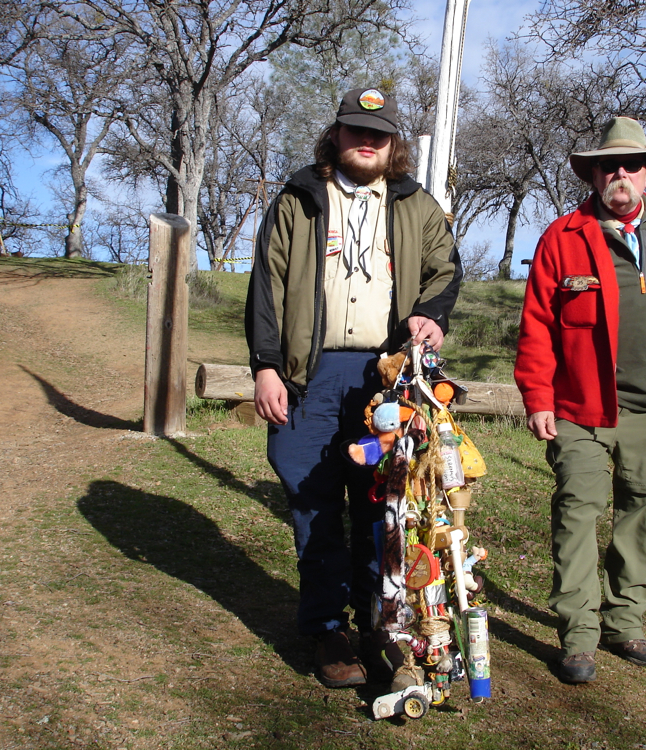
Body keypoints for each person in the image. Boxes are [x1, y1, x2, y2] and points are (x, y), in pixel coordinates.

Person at [244, 88, 462, 689]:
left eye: (379, 134)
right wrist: (266, 366)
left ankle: (379, 626)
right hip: (309, 377)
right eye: (355, 130)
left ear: (393, 144)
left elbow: (445, 270)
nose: (367, 141)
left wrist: (432, 315)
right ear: (335, 135)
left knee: (382, 508)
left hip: (384, 378)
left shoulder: (417, 205)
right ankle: (326, 630)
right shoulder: (299, 199)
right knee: (314, 504)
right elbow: (267, 284)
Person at [514, 116, 646, 685]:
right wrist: (538, 398)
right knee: (577, 514)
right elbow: (537, 326)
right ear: (593, 176)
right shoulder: (563, 236)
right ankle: (578, 637)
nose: (620, 175)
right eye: (608, 167)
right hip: (580, 409)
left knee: (643, 512)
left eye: (631, 166)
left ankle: (625, 623)